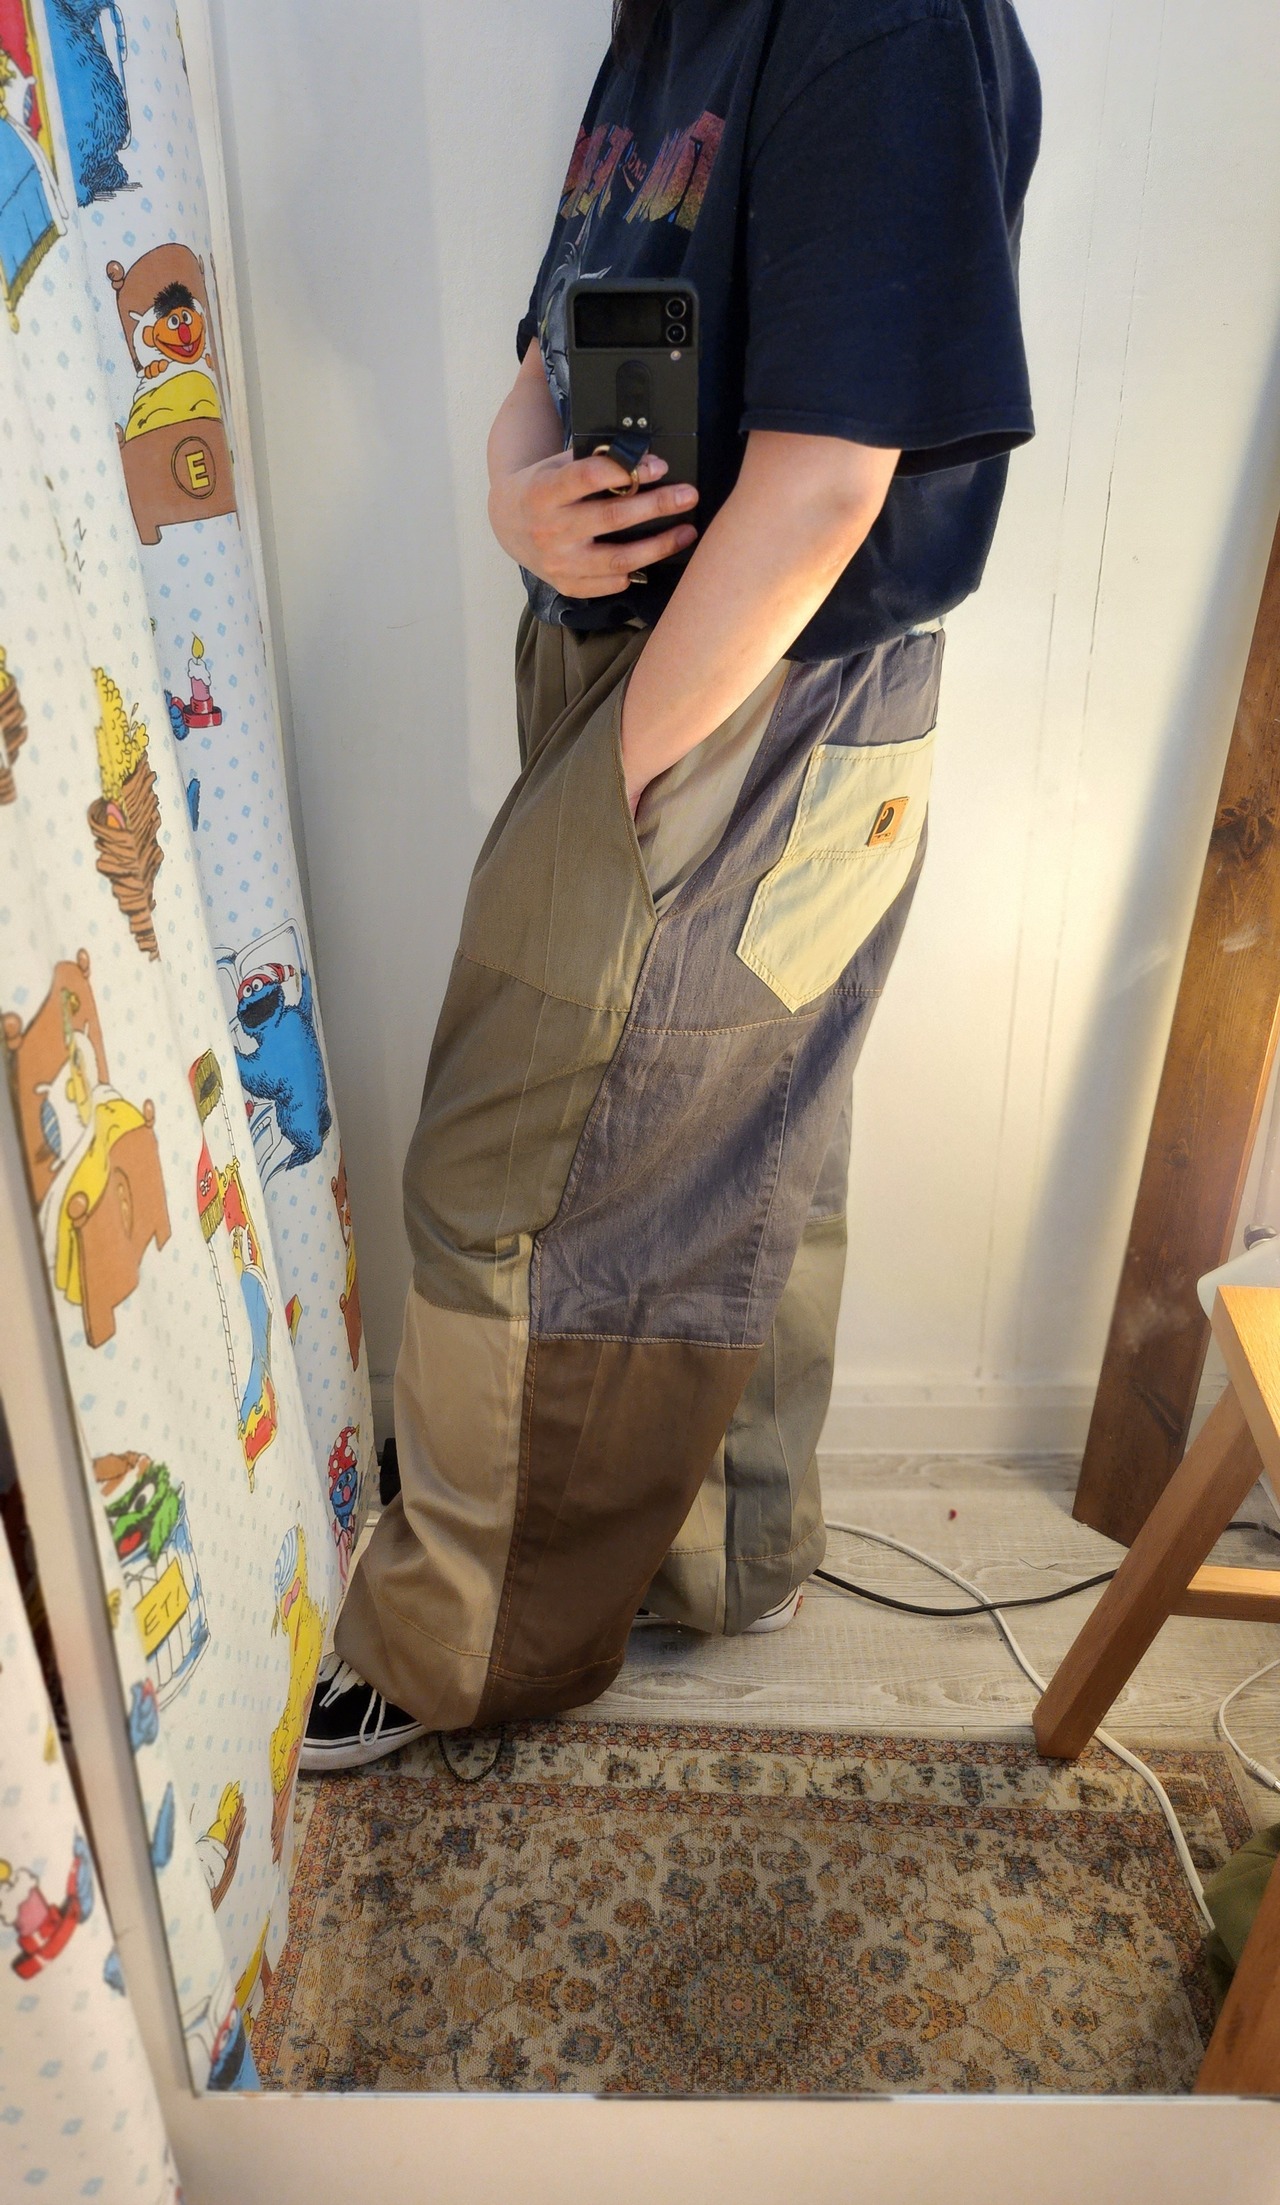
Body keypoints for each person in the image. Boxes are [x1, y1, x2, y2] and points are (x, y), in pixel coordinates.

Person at [303, 0, 1041, 1770]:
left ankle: (464, 1634)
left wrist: (628, 770)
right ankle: (731, 1557)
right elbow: (555, 346)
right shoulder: (669, 20)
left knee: (512, 1169)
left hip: (753, 687)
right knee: (747, 1136)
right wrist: (518, 499)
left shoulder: (871, 18)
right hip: (675, 670)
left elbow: (830, 482)